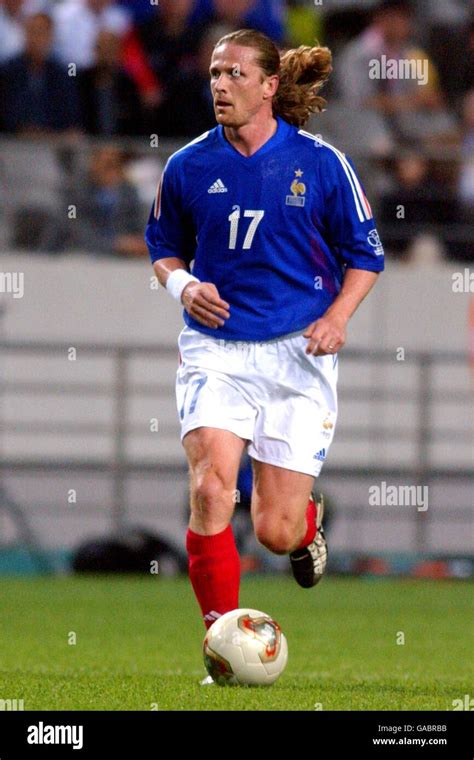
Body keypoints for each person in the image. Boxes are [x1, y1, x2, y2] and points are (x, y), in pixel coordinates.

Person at [145, 29, 384, 670]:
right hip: (215, 349)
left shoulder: (321, 163)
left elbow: (367, 254)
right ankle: (221, 640)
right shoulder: (188, 165)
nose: (219, 85)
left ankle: (305, 527)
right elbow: (162, 247)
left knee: (274, 530)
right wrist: (186, 285)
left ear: (270, 85)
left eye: (234, 74)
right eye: (214, 73)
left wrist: (338, 316)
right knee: (211, 490)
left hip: (298, 353)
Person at [0, 12, 81, 134]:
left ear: (51, 37)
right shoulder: (7, 71)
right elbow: (6, 112)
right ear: (25, 35)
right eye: (32, 32)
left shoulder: (64, 72)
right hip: (13, 142)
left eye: (42, 33)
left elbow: (71, 115)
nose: (36, 39)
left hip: (53, 142)